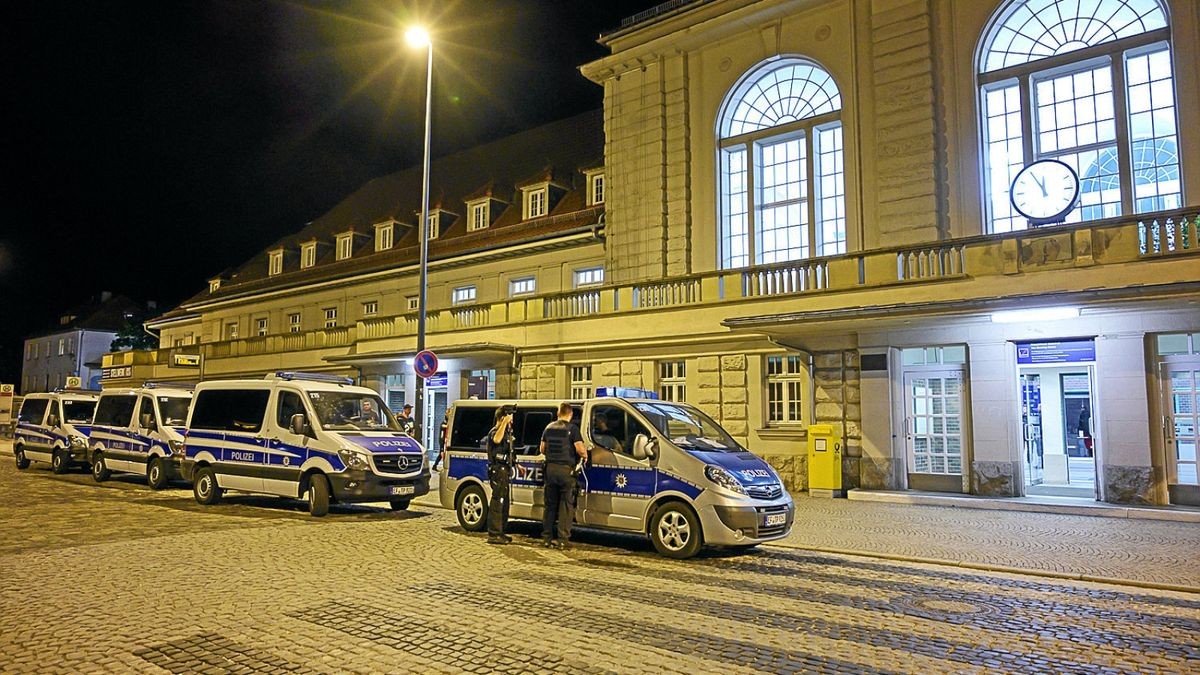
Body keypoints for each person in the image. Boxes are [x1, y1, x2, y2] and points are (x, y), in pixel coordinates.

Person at [539, 402, 586, 550]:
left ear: (558, 413)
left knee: (550, 505)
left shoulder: (548, 427)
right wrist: (585, 455)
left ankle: (546, 538)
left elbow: (542, 448)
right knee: (566, 506)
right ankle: (563, 540)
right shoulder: (573, 429)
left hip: (550, 470)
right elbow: (580, 450)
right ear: (570, 414)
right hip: (566, 471)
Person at [486, 406, 516, 545]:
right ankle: (494, 534)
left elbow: (508, 451)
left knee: (504, 503)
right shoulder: (495, 432)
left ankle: (501, 531)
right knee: (498, 502)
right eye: (509, 417)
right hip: (497, 470)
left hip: (505, 469)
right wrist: (504, 423)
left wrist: (516, 464)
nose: (512, 420)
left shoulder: (506, 433)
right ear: (502, 417)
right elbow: (497, 440)